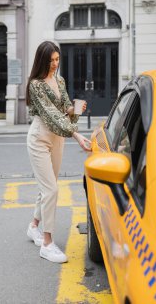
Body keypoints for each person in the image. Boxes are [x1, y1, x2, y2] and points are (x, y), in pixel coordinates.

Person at [26, 41, 91, 263]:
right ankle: (47, 243)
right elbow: (51, 115)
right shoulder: (35, 85)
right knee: (51, 189)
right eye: (50, 60)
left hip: (58, 138)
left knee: (48, 186)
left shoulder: (59, 80)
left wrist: (76, 109)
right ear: (41, 61)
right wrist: (76, 134)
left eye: (57, 60)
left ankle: (34, 226)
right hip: (40, 139)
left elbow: (63, 109)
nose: (54, 64)